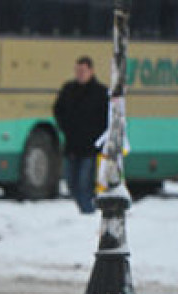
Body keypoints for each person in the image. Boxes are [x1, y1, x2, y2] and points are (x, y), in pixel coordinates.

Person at [52, 56, 110, 215]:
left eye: (83, 71)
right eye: (78, 70)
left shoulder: (101, 93)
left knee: (84, 183)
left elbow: (107, 119)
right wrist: (65, 127)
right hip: (72, 145)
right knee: (71, 183)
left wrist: (99, 138)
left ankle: (88, 213)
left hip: (90, 149)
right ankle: (85, 211)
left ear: (91, 71)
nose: (80, 74)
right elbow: (58, 110)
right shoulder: (68, 89)